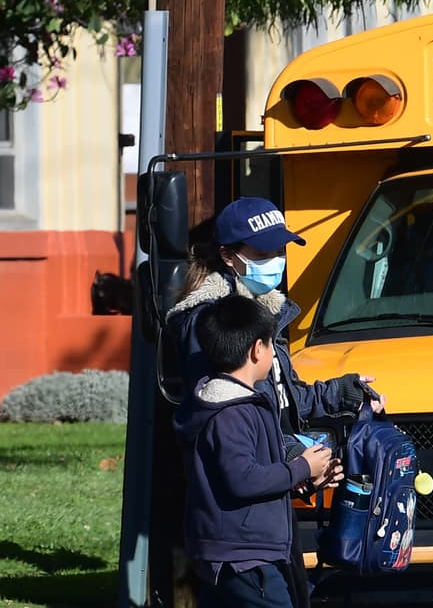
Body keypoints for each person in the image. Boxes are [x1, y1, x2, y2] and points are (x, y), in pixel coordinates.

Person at [166, 195, 384, 605]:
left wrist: (343, 391)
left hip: (267, 514)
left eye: (280, 251)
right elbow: (232, 423)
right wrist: (299, 463)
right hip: (240, 533)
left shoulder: (261, 312)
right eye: (263, 253)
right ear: (228, 256)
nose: (277, 262)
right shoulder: (216, 325)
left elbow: (284, 397)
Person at [174, 295, 338, 608]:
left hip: (234, 554)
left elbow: (243, 477)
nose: (274, 352)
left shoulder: (235, 405)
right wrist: (301, 468)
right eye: (271, 343)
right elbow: (244, 479)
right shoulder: (232, 412)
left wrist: (303, 482)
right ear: (256, 350)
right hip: (244, 559)